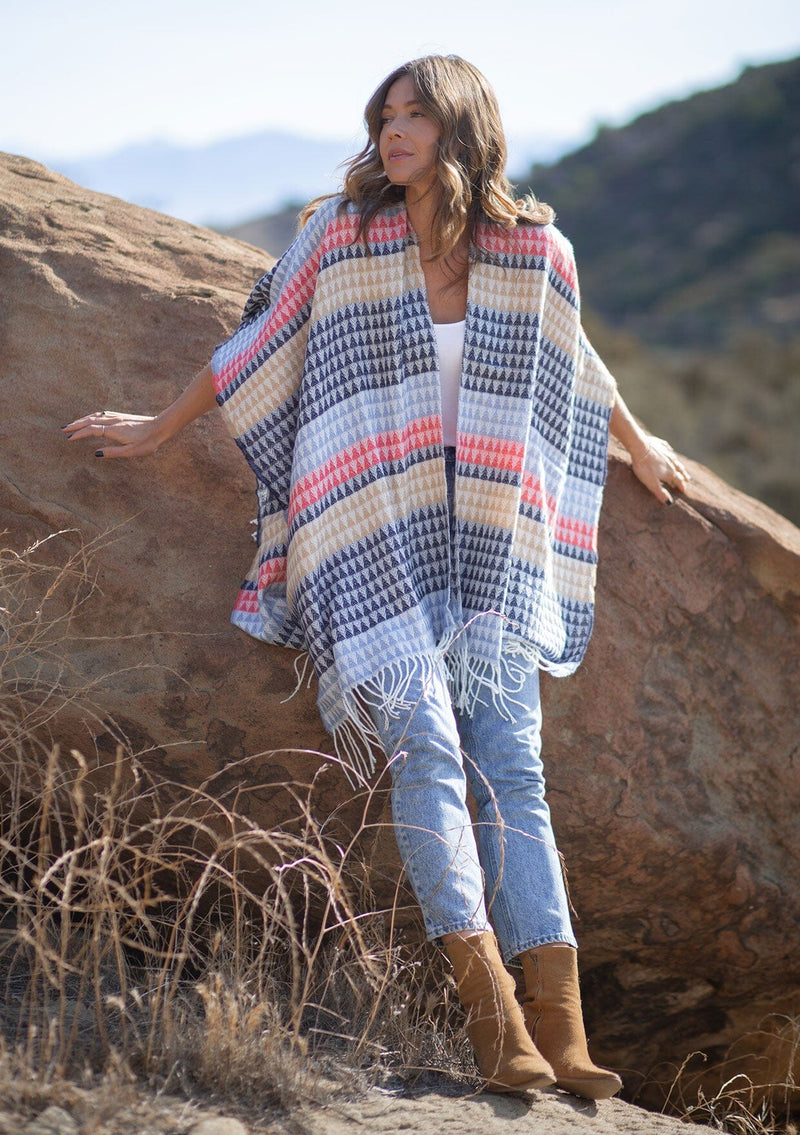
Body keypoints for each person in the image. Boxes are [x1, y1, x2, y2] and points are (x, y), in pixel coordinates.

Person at [64, 55, 689, 1098]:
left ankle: (562, 1028)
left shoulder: (532, 248)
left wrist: (640, 439)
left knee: (515, 771)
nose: (394, 133)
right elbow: (253, 343)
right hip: (367, 542)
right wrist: (157, 427)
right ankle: (492, 1016)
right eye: (384, 116)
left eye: (416, 117)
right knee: (431, 758)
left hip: (488, 543)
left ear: (462, 130)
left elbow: (574, 360)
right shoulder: (342, 236)